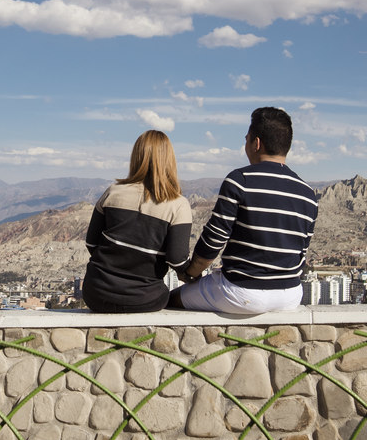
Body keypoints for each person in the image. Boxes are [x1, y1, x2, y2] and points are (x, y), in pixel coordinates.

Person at [170, 107, 317, 314]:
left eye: (246, 139)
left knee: (172, 299)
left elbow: (214, 240)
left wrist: (190, 273)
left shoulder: (240, 181)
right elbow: (301, 251)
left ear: (256, 143)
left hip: (242, 292)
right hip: (290, 295)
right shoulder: (307, 193)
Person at [82, 130, 193, 313]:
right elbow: (177, 259)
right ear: (170, 160)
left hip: (95, 294)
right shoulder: (178, 205)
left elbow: (91, 242)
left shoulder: (113, 192)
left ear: (136, 156)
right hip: (145, 298)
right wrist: (193, 275)